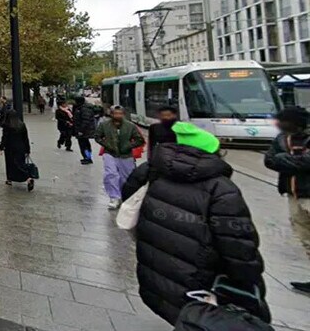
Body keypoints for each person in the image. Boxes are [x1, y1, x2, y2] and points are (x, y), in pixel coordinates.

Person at [122, 122, 270, 325]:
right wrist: (252, 287)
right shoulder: (221, 189)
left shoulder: (152, 170)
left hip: (156, 271)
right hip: (198, 283)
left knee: (174, 312)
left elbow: (129, 198)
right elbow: (238, 246)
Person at [264, 106, 310, 295]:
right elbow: (269, 160)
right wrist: (295, 159)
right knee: (306, 239)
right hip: (293, 195)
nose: (279, 124)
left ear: (295, 122)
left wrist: (283, 158)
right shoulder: (281, 139)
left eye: (283, 121)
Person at [94, 105, 144, 209]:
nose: (118, 116)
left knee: (126, 177)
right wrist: (107, 145)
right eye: (115, 113)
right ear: (111, 114)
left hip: (126, 155)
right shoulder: (104, 125)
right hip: (109, 153)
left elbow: (140, 140)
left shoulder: (130, 126)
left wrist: (128, 146)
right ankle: (114, 197)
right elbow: (97, 136)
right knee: (111, 174)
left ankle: (124, 195)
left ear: (123, 114)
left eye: (120, 113)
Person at [0, 110, 34, 191]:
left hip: (10, 148)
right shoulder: (22, 125)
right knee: (20, 164)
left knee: (10, 164)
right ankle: (28, 178)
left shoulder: (7, 126)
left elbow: (5, 138)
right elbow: (25, 138)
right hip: (21, 148)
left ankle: (10, 179)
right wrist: (27, 149)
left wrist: (1, 146)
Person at [72, 96, 97, 165]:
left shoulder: (84, 109)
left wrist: (81, 130)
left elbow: (85, 121)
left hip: (84, 131)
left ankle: (87, 158)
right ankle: (87, 157)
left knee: (84, 145)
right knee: (85, 144)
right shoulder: (81, 108)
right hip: (84, 130)